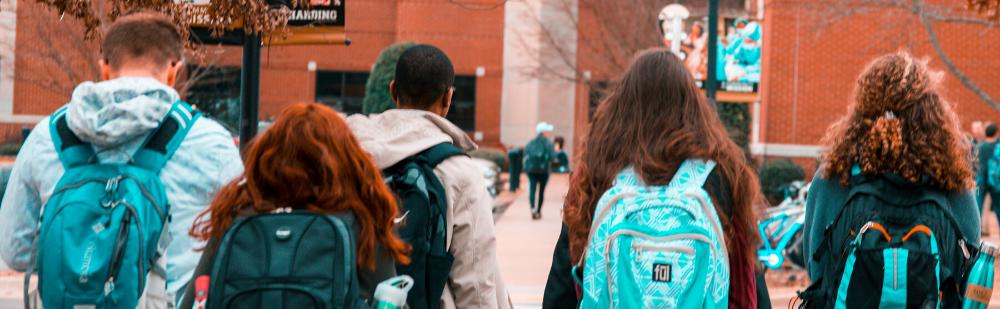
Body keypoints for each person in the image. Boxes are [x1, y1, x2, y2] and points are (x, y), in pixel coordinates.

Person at [0, 11, 243, 306]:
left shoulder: (47, 137)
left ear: (104, 69)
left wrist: (82, 252)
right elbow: (238, 248)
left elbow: (15, 250)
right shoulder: (210, 142)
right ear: (174, 71)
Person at [545, 49, 767, 308]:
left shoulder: (598, 173)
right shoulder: (723, 176)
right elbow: (746, 283)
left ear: (621, 108)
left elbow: (562, 284)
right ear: (693, 109)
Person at [181, 103, 410, 307]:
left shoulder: (236, 219)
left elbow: (194, 302)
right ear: (344, 160)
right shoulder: (362, 225)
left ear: (266, 157)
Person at [800, 52, 980, 307]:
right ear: (932, 111)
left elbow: (816, 267)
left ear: (862, 106)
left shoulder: (833, 175)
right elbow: (968, 268)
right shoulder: (952, 181)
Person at [346, 44, 511, 309]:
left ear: (392, 90)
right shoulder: (458, 170)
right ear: (448, 97)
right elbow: (475, 281)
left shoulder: (347, 154)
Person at [524, 122, 557, 219]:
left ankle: (533, 208)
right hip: (544, 171)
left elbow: (525, 154)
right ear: (543, 132)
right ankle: (538, 211)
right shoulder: (548, 143)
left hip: (531, 170)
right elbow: (553, 156)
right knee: (541, 191)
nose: (549, 133)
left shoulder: (531, 143)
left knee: (532, 189)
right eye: (547, 131)